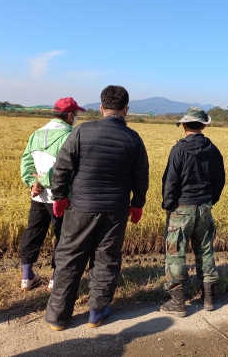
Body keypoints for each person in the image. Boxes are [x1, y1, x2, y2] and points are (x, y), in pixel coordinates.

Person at [45, 85, 149, 331]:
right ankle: (97, 312)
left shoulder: (81, 131)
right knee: (106, 258)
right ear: (126, 110)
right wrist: (137, 205)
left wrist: (59, 197)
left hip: (80, 208)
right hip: (115, 211)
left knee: (69, 258)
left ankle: (57, 318)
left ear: (101, 108)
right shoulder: (134, 138)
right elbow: (141, 177)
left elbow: (62, 168)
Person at [159, 107, 225, 317]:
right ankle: (209, 299)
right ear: (204, 125)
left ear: (184, 125)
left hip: (181, 208)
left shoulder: (178, 149)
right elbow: (220, 180)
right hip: (204, 207)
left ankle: (177, 302)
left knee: (175, 253)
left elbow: (170, 181)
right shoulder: (213, 150)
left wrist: (169, 205)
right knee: (205, 251)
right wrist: (210, 200)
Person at [19, 97, 85, 292]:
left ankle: (27, 276)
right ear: (70, 115)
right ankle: (56, 279)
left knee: (33, 232)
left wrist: (33, 182)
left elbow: (26, 162)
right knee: (63, 236)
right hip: (61, 196)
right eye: (76, 115)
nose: (76, 118)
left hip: (38, 196)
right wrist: (46, 181)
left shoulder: (36, 134)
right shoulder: (70, 136)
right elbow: (65, 168)